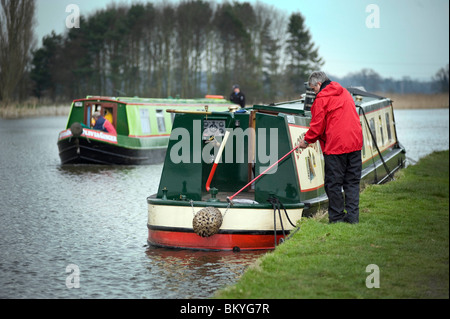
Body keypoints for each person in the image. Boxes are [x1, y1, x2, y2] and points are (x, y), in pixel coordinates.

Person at [298, 71, 363, 224]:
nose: (314, 93)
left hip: (336, 146)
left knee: (333, 184)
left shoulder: (322, 98)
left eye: (313, 89)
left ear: (319, 84)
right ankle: (353, 218)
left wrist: (306, 141)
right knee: (352, 182)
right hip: (355, 143)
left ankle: (336, 218)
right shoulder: (345, 92)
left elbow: (317, 127)